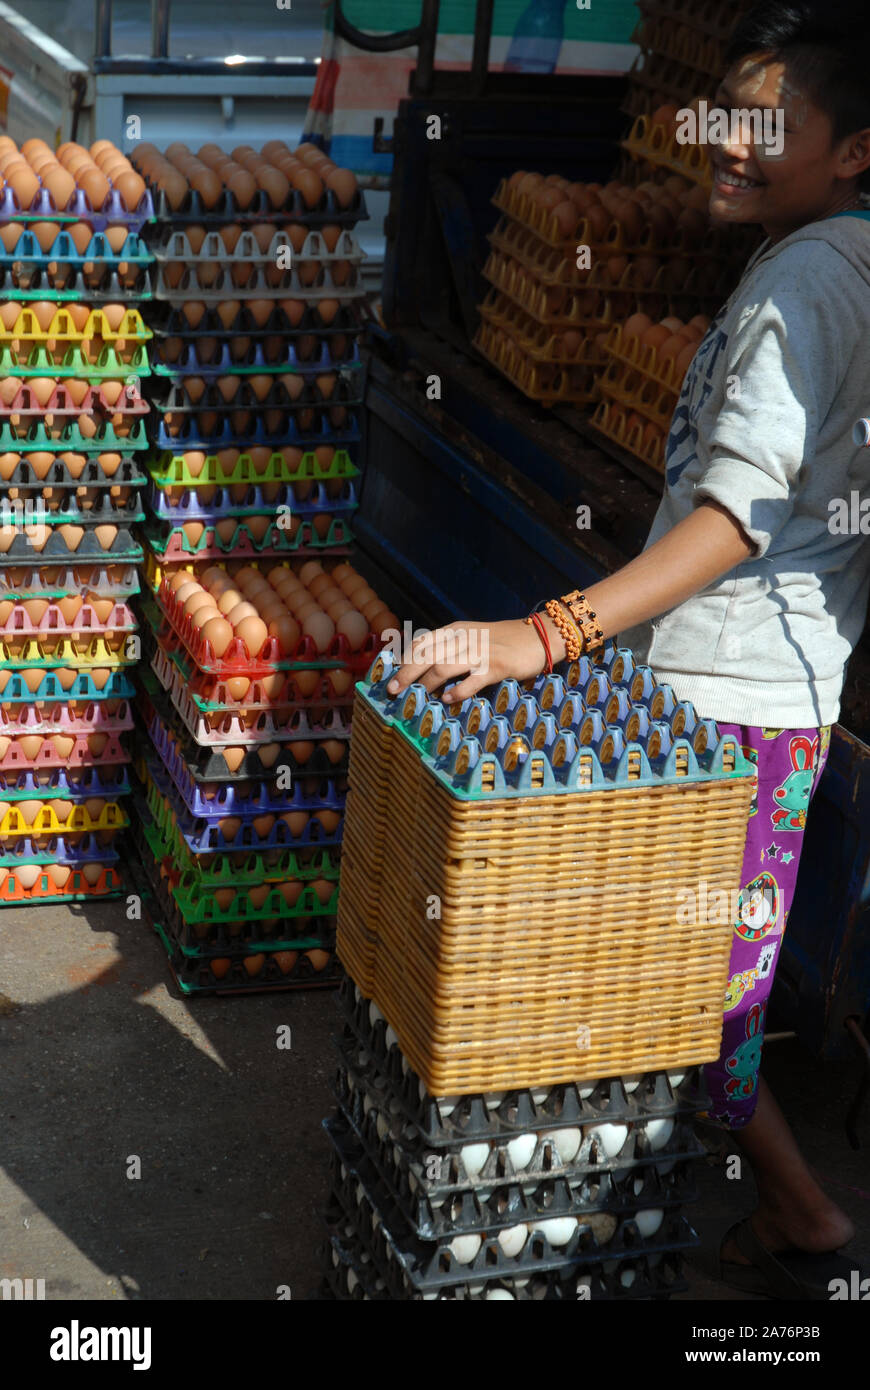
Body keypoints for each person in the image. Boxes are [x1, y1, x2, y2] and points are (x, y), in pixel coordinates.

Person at [385, 0, 870, 1298]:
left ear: (853, 151)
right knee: (674, 996)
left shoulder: (807, 287)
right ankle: (769, 1215)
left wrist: (542, 634)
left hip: (738, 707)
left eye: (766, 122)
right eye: (721, 110)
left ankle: (799, 1219)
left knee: (690, 1008)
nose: (721, 138)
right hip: (747, 693)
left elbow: (728, 517)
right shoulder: (830, 263)